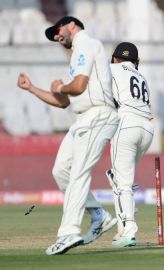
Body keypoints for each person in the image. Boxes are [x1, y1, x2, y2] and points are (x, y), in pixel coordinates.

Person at [17, 16, 119, 255]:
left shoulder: (86, 44)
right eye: (53, 34)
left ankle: (68, 233)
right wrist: (32, 88)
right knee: (61, 170)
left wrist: (61, 86)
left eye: (58, 30)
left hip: (98, 116)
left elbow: (79, 86)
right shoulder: (77, 55)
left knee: (78, 174)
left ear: (73, 25)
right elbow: (63, 102)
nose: (56, 36)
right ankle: (99, 215)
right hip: (83, 118)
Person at [105, 42, 154, 248]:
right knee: (119, 178)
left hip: (126, 124)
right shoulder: (141, 77)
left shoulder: (112, 68)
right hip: (148, 128)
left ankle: (129, 230)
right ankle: (122, 229)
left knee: (122, 182)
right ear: (137, 62)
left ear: (115, 58)